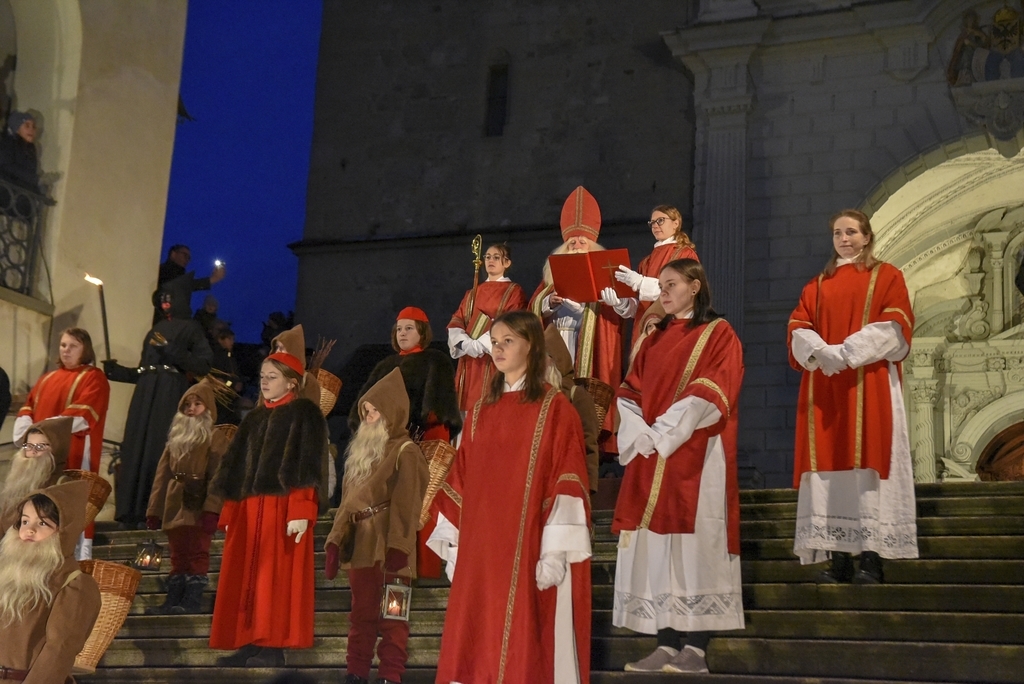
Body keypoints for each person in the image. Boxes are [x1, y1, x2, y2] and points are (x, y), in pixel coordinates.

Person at [428, 310, 592, 684]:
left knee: (522, 646)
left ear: (531, 346)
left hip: (529, 548)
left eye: (508, 341)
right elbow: (460, 477)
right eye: (495, 341)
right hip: (480, 554)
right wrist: (453, 544)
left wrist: (554, 553)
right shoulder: (481, 411)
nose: (498, 349)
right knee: (474, 643)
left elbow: (566, 479)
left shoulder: (556, 409)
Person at [613, 258, 745, 674]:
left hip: (696, 454)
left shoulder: (718, 333)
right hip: (653, 456)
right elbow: (628, 391)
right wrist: (641, 434)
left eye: (671, 285)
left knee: (695, 546)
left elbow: (714, 388)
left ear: (695, 286)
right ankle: (666, 644)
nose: (663, 292)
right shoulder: (652, 341)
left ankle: (697, 648)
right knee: (658, 549)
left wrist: (663, 432)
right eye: (661, 286)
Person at [788, 209, 917, 584]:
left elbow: (895, 326)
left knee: (867, 470)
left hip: (869, 381)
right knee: (829, 473)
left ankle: (872, 558)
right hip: (825, 386)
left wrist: (843, 353)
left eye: (851, 232)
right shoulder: (816, 285)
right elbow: (798, 326)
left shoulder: (887, 276)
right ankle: (838, 557)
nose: (843, 239)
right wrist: (821, 353)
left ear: (866, 237)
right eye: (837, 233)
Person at [209, 350, 328, 667]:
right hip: (249, 509)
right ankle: (247, 639)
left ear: (291, 384)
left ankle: (273, 645)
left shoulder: (303, 417)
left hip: (281, 508)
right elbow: (236, 470)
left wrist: (301, 509)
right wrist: (231, 513)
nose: (264, 382)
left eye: (271, 377)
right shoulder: (255, 419)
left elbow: (307, 466)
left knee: (274, 577)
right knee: (246, 575)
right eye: (262, 377)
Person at [325, 368, 428, 684]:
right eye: (365, 411)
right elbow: (347, 504)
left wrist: (399, 547)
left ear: (392, 410)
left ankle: (389, 675)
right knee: (360, 616)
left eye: (375, 410)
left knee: (393, 617)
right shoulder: (360, 455)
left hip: (388, 548)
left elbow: (408, 504)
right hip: (362, 548)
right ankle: (355, 672)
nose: (369, 417)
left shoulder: (405, 451)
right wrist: (334, 540)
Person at [349, 307, 460, 579]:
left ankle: (423, 571)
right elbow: (361, 408)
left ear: (422, 331)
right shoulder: (384, 366)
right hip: (385, 447)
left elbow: (439, 408)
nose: (402, 333)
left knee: (419, 506)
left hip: (420, 443)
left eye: (409, 328)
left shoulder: (436, 360)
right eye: (399, 329)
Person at [529, 186, 633, 449]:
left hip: (586, 348)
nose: (576, 245)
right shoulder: (550, 280)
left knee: (584, 410)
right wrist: (548, 303)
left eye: (582, 242)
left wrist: (608, 303)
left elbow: (620, 315)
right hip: (558, 343)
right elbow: (532, 311)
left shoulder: (605, 274)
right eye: (571, 242)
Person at [107, 273, 214, 527]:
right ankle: (129, 510)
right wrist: (120, 372)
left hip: (169, 393)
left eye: (170, 298)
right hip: (145, 394)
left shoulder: (191, 328)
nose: (166, 302)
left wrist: (173, 352)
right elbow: (145, 370)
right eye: (162, 298)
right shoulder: (154, 329)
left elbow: (204, 363)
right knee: (136, 447)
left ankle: (152, 509)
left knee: (158, 445)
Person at [14, 327, 110, 558]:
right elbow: (27, 409)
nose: (66, 350)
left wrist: (42, 434)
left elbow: (80, 417)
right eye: (63, 345)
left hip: (73, 457)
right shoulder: (46, 378)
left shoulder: (93, 377)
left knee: (69, 511)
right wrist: (31, 437)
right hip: (38, 461)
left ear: (85, 349)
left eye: (73, 346)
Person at [0, 480, 102, 683]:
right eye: (25, 521)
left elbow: (60, 650)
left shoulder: (75, 584)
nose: (29, 530)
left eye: (43, 523)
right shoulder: (7, 574)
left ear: (63, 530)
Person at [145, 380, 229, 615]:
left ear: (208, 407)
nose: (191, 409)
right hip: (175, 502)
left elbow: (218, 475)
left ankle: (191, 600)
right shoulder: (176, 440)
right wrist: (155, 510)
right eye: (187, 405)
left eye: (197, 404)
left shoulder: (215, 436)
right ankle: (172, 600)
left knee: (197, 552)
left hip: (198, 502)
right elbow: (162, 476)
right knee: (178, 554)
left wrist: (212, 508)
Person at [447, 242, 528, 411]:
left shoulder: (513, 291)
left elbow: (512, 322)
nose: (491, 260)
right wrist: (465, 343)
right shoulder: (472, 292)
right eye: (488, 257)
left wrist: (481, 344)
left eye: (496, 257)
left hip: (494, 357)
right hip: (469, 361)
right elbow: (458, 319)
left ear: (507, 263)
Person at [615, 205, 699, 345]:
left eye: (660, 220)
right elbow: (641, 306)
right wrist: (621, 303)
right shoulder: (646, 261)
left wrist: (642, 283)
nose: (655, 225)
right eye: (652, 222)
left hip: (670, 328)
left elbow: (680, 292)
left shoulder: (684, 254)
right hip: (642, 331)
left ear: (675, 223)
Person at [544, 323, 600, 496]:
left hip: (570, 480)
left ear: (553, 360)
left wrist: (588, 488)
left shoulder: (577, 396)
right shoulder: (531, 397)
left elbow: (589, 442)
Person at [0, 416, 73, 530]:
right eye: (29, 446)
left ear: (56, 450)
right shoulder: (16, 482)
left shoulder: (62, 484)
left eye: (40, 446)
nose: (33, 451)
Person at [153, 244, 226, 324]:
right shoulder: (165, 271)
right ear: (173, 254)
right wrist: (212, 279)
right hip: (162, 321)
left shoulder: (177, 275)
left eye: (189, 257)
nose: (187, 259)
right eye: (184, 255)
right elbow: (181, 285)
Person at [0, 111, 40, 193]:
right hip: (7, 193)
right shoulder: (9, 142)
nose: (31, 130)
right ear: (17, 129)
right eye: (27, 126)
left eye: (34, 127)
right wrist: (34, 179)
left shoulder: (30, 150)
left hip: (21, 196)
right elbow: (6, 166)